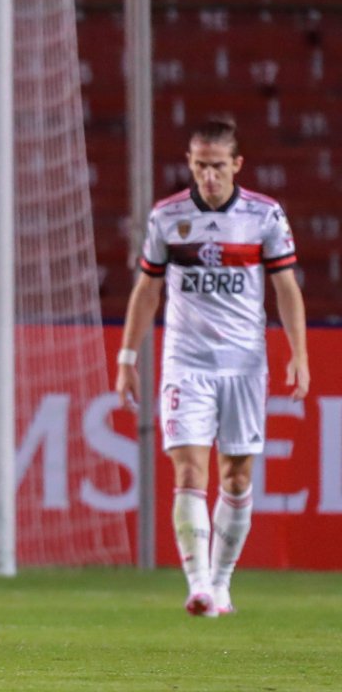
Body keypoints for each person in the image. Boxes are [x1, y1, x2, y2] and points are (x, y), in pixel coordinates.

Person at [116, 117, 309, 617]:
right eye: (199, 166)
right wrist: (127, 356)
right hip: (187, 363)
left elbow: (286, 288)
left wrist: (299, 353)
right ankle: (198, 584)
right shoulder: (167, 217)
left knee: (238, 479)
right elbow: (147, 289)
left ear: (236, 165)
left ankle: (221, 582)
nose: (208, 177)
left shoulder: (264, 216)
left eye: (217, 166)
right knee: (187, 470)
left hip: (244, 364)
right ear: (190, 163)